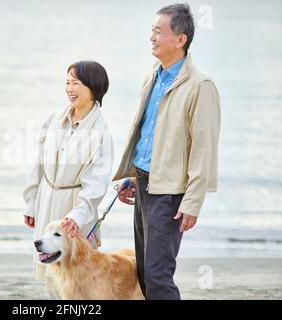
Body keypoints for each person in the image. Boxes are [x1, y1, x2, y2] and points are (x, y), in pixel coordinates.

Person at [114, 4, 221, 300]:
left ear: (180, 39)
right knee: (145, 274)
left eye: (158, 31)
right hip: (145, 183)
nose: (151, 37)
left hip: (170, 193)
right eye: (152, 30)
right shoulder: (153, 76)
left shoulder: (201, 85)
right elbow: (147, 135)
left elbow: (204, 148)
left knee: (158, 275)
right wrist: (133, 178)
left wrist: (193, 202)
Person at [23, 61, 114, 293]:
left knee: (78, 278)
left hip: (74, 210)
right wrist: (32, 203)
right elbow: (39, 164)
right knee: (48, 270)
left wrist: (77, 216)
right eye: (67, 82)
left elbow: (96, 184)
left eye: (76, 83)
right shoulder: (54, 120)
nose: (69, 89)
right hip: (47, 199)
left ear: (94, 88)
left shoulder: (100, 133)